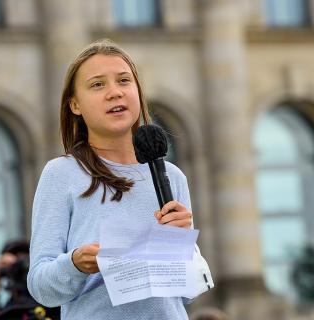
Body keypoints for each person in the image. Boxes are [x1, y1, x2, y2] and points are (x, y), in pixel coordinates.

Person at [27, 38, 213, 320]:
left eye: (124, 81)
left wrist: (183, 242)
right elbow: (41, 288)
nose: (115, 92)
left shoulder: (171, 176)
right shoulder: (61, 174)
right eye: (97, 84)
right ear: (75, 105)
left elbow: (186, 294)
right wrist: (75, 264)